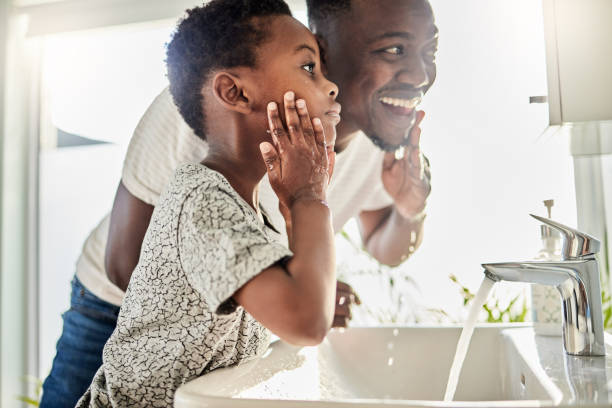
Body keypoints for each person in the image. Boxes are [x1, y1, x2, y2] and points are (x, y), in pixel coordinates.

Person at [40, 0, 437, 406]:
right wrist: (306, 206)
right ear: (327, 44)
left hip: (215, 350)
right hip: (112, 307)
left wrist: (301, 270)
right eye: (394, 49)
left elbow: (375, 254)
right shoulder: (202, 190)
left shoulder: (267, 201)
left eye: (431, 51)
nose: (421, 74)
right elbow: (129, 265)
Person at [76, 0, 339, 405]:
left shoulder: (249, 209)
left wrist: (293, 209)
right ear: (234, 92)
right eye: (308, 68)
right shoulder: (201, 201)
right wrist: (309, 197)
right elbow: (305, 321)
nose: (331, 85)